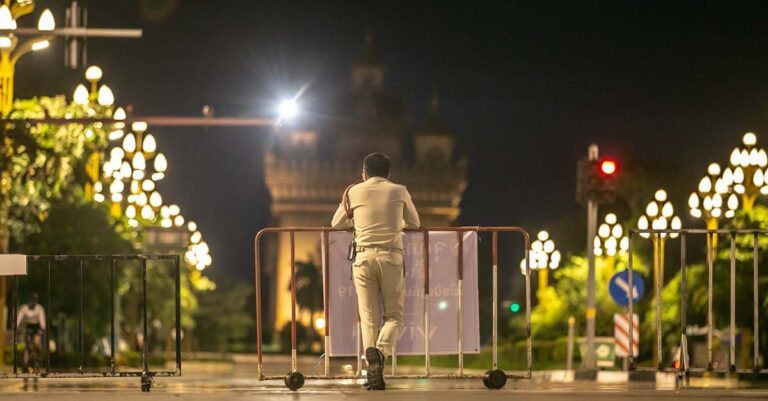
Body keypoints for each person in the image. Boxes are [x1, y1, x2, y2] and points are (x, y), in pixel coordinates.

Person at [332, 152, 420, 390]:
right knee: (393, 316)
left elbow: (336, 223)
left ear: (364, 172)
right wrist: (397, 223)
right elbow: (415, 223)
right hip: (391, 257)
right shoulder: (399, 190)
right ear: (389, 173)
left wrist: (358, 223)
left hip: (362, 258)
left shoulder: (353, 191)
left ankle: (373, 371)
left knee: (368, 318)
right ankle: (379, 353)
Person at [17, 293, 46, 369]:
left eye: (34, 300)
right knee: (27, 345)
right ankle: (26, 363)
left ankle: (40, 355)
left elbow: (42, 319)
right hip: (28, 327)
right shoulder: (24, 308)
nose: (33, 301)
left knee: (36, 342)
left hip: (37, 327)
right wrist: (16, 326)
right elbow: (19, 318)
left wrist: (42, 329)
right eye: (31, 299)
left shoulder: (40, 308)